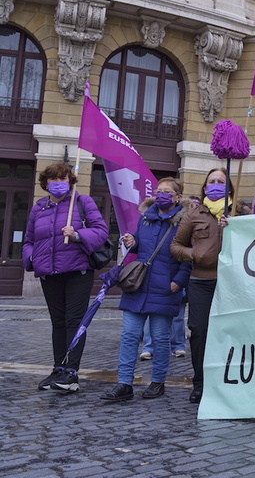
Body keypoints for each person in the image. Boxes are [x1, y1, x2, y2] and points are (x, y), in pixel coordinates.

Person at [101, 178, 191, 401]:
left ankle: (157, 382)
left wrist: (178, 282)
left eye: (167, 192)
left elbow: (188, 256)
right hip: (138, 285)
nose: (161, 195)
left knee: (160, 338)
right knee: (129, 335)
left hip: (165, 286)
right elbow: (142, 245)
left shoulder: (184, 222)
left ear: (178, 197)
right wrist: (133, 241)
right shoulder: (146, 218)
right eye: (159, 191)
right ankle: (124, 384)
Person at [25, 162, 109, 393]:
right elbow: (29, 240)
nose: (58, 183)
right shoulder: (38, 208)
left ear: (70, 182)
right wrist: (31, 259)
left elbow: (101, 231)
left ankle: (71, 373)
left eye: (63, 179)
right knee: (58, 323)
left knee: (74, 321)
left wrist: (78, 234)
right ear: (45, 183)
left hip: (77, 272)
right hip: (49, 273)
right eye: (54, 179)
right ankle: (58, 369)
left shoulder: (82, 202)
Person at [170, 168, 246, 403]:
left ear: (229, 188)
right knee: (200, 332)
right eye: (211, 181)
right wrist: (195, 254)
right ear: (204, 188)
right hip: (201, 282)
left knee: (231, 333)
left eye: (220, 182)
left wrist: (236, 226)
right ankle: (200, 382)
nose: (215, 185)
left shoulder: (240, 212)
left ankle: (229, 379)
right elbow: (175, 246)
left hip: (232, 283)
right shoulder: (194, 214)